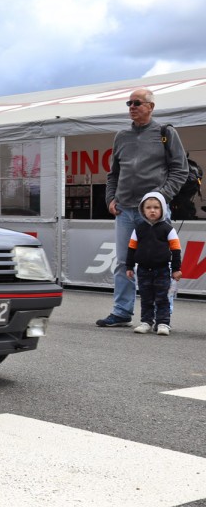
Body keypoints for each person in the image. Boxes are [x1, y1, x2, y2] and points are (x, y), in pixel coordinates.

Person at [97, 88, 188, 327]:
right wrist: (110, 198)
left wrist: (161, 196)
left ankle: (163, 317)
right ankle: (122, 312)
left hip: (155, 213)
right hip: (125, 209)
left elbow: (181, 170)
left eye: (137, 102)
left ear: (151, 106)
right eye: (129, 103)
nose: (132, 107)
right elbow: (113, 174)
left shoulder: (165, 133)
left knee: (162, 263)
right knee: (123, 262)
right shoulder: (121, 136)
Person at [125, 192, 182, 336]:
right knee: (146, 297)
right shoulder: (138, 229)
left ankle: (163, 323)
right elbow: (131, 249)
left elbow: (176, 250)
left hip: (162, 270)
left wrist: (176, 269)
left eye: (156, 207)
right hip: (143, 270)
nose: (152, 210)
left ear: (162, 209)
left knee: (162, 297)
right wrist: (129, 267)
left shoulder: (168, 229)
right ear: (142, 210)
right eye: (148, 207)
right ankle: (146, 322)